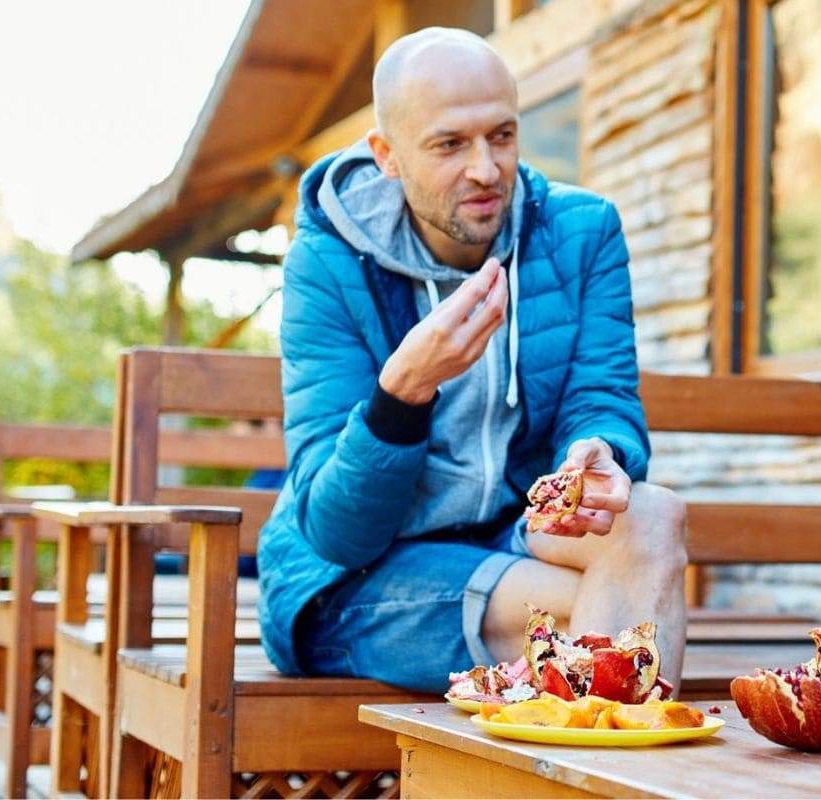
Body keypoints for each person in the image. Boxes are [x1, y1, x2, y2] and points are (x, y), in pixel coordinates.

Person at [257, 27, 687, 693]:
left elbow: (601, 397)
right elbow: (339, 532)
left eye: (502, 136)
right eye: (450, 144)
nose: (486, 169)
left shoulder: (583, 231)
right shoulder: (326, 261)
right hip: (361, 575)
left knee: (652, 517)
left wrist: (597, 452)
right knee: (605, 617)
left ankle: (588, 745)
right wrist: (403, 392)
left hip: (513, 531)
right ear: (387, 155)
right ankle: (601, 754)